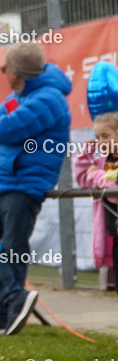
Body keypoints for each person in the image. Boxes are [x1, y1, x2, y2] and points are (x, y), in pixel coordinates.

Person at [0, 43, 71, 335]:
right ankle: (14, 299)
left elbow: (3, 129)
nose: (2, 72)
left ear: (19, 72)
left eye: (6, 67)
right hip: (1, 182)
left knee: (13, 250)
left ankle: (4, 310)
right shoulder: (21, 96)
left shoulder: (49, 99)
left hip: (24, 184)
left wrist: (0, 126)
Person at [73, 112, 118, 293]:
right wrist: (87, 150)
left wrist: (96, 175)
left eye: (106, 136)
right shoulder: (103, 161)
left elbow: (114, 191)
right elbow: (83, 177)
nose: (101, 142)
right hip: (114, 235)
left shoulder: (100, 170)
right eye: (97, 137)